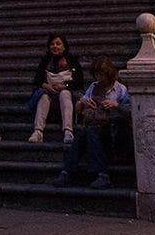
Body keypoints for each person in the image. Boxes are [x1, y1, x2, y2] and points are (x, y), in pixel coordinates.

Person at [55, 58, 128, 189]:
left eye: (102, 74)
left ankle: (101, 174)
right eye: (97, 75)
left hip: (113, 129)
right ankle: (67, 172)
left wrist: (115, 105)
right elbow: (78, 110)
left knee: (90, 132)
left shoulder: (120, 89)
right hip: (94, 126)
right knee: (85, 132)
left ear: (109, 73)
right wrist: (83, 103)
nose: (99, 78)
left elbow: (130, 113)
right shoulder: (93, 87)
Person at [26, 34, 81, 144]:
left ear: (64, 46)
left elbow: (79, 81)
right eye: (52, 44)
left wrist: (64, 86)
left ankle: (68, 131)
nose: (55, 46)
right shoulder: (46, 60)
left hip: (66, 97)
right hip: (49, 95)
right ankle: (38, 131)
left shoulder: (72, 60)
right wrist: (46, 86)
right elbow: (37, 79)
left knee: (65, 94)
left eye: (58, 44)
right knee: (43, 96)